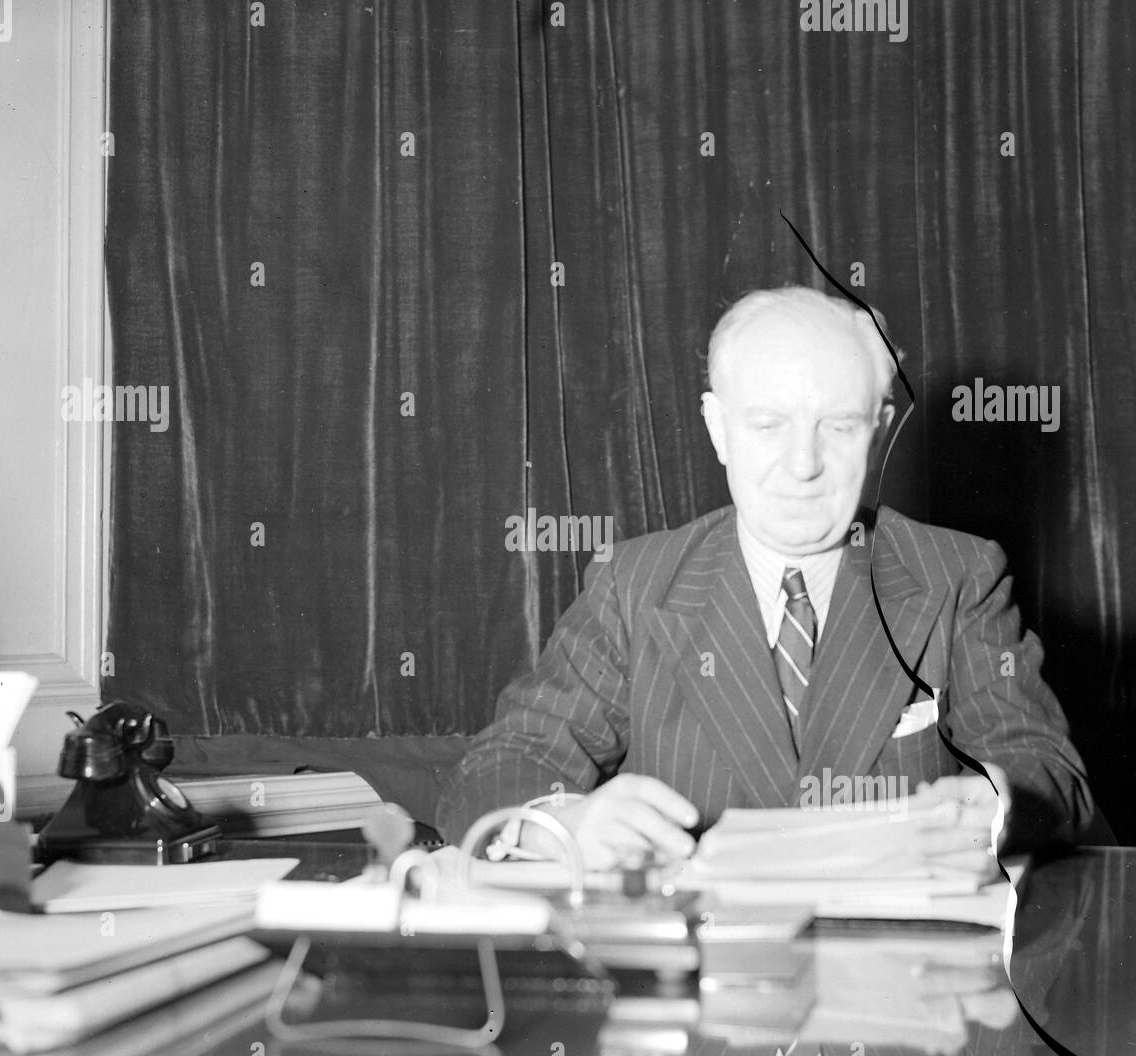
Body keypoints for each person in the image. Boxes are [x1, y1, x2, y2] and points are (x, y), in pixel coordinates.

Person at [436, 286, 1096, 871]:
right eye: (767, 425)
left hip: (898, 977)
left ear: (880, 430)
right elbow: (503, 763)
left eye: (837, 426)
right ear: (718, 429)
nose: (803, 463)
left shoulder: (959, 575)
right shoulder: (634, 584)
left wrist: (997, 805)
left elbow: (1046, 768)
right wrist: (559, 826)